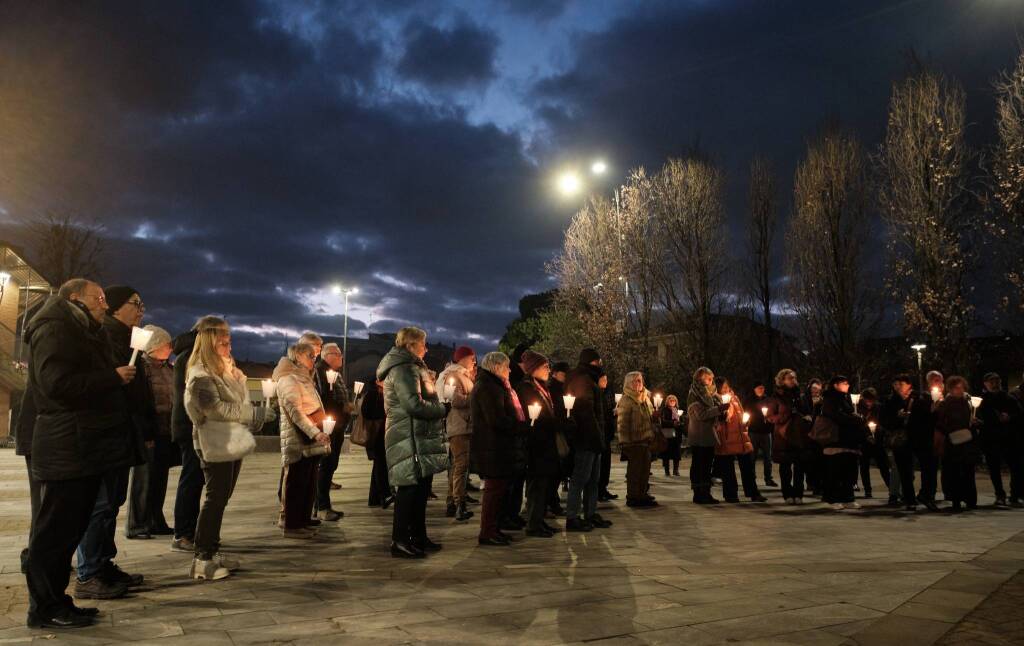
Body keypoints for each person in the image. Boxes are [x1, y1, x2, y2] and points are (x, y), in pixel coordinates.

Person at [22, 279, 138, 628]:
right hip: (65, 444)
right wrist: (111, 378)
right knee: (54, 532)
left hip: (82, 445)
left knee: (69, 529)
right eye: (99, 299)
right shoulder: (55, 329)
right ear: (75, 298)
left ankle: (57, 601)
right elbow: (55, 384)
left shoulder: (81, 329)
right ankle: (43, 608)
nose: (105, 305)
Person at [75, 285, 150, 599]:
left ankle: (104, 564)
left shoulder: (124, 336)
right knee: (101, 504)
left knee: (112, 502)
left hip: (122, 430)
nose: (141, 309)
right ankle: (89, 573)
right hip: (107, 432)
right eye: (136, 303)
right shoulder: (106, 336)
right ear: (118, 307)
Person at [185, 320, 275, 579]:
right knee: (214, 499)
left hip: (232, 440)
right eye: (222, 341)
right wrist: (254, 412)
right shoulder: (201, 373)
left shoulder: (228, 370)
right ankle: (202, 559)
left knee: (221, 498)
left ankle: (212, 551)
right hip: (214, 441)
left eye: (229, 340)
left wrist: (253, 417)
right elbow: (214, 409)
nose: (228, 345)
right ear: (208, 342)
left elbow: (237, 404)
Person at [376, 327, 448, 558]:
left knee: (420, 490)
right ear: (410, 346)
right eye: (422, 344)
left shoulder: (412, 368)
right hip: (408, 437)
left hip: (416, 436)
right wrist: (441, 408)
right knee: (408, 490)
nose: (426, 349)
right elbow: (413, 405)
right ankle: (399, 541)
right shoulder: (404, 369)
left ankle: (418, 536)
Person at [170, 316, 225, 552]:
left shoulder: (201, 356)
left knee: (199, 480)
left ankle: (195, 531)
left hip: (204, 425)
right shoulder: (189, 358)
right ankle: (183, 533)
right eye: (221, 334)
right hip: (191, 425)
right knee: (192, 479)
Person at [276, 343, 332, 538]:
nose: (314, 358)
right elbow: (295, 412)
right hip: (299, 439)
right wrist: (314, 432)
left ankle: (303, 519)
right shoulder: (288, 379)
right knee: (296, 482)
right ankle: (292, 525)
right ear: (298, 356)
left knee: (308, 482)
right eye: (310, 355)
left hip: (311, 437)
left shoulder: (304, 378)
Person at [126, 325, 177, 539]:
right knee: (143, 479)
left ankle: (156, 520)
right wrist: (145, 431)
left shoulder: (168, 368)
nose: (170, 348)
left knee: (159, 478)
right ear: (154, 346)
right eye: (166, 344)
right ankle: (137, 524)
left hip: (166, 429)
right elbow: (139, 403)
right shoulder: (141, 368)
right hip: (148, 428)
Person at [471, 351, 526, 545]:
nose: (510, 370)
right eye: (506, 366)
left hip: (498, 447)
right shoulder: (488, 387)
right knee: (493, 492)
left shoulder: (494, 385)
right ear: (496, 367)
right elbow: (496, 420)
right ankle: (487, 532)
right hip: (492, 447)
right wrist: (521, 426)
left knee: (499, 491)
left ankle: (494, 529)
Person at [515, 351, 566, 536]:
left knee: (544, 485)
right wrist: (557, 423)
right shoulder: (527, 388)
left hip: (545, 442)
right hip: (536, 444)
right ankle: (533, 524)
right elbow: (535, 418)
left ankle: (539, 520)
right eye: (545, 366)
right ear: (534, 368)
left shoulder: (540, 386)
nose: (548, 369)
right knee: (537, 485)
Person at [880, 374, 938, 512]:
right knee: (905, 471)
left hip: (920, 438)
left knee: (928, 467)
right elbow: (885, 421)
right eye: (895, 384)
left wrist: (934, 409)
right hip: (901, 439)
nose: (897, 387)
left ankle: (926, 495)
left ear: (909, 385)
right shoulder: (890, 401)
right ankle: (910, 500)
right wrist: (897, 417)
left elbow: (929, 417)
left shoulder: (920, 397)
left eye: (900, 384)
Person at [564, 349, 607, 530]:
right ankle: (572, 517)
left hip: (594, 437)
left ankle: (590, 513)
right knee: (581, 478)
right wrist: (596, 437)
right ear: (592, 362)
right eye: (598, 361)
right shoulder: (582, 379)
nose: (600, 365)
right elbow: (586, 412)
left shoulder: (589, 378)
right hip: (587, 438)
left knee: (593, 479)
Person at [312, 342, 354, 522]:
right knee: (326, 466)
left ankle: (319, 506)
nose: (341, 357)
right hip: (329, 425)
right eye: (338, 354)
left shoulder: (331, 372)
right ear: (327, 355)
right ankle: (321, 506)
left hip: (335, 424)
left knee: (329, 466)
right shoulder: (321, 372)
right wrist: (343, 407)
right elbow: (325, 400)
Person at [437, 346, 476, 522]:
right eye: (471, 358)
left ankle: (452, 502)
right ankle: (459, 503)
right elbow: (453, 400)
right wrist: (474, 398)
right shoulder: (453, 375)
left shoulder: (463, 375)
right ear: (462, 358)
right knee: (460, 466)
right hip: (460, 426)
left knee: (456, 466)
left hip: (463, 425)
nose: (474, 361)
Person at [818, 376, 865, 511]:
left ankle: (848, 498)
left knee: (849, 470)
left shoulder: (846, 398)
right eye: (844, 383)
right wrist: (853, 419)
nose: (847, 385)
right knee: (835, 470)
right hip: (835, 439)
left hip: (848, 439)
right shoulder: (830, 399)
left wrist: (855, 417)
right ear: (835, 385)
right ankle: (833, 498)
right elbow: (835, 415)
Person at [714, 377, 764, 503]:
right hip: (726, 437)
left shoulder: (735, 398)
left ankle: (753, 492)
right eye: (723, 387)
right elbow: (717, 419)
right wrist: (723, 414)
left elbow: (741, 413)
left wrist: (745, 421)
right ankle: (731, 494)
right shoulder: (715, 399)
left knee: (747, 466)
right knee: (728, 468)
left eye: (727, 386)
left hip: (741, 437)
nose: (726, 389)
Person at [934, 376, 980, 512]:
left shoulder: (969, 401)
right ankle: (956, 501)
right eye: (956, 388)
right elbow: (939, 422)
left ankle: (971, 500)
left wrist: (976, 422)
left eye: (961, 387)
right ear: (951, 389)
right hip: (953, 442)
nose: (959, 390)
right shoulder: (945, 403)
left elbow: (977, 418)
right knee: (954, 473)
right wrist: (950, 430)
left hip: (968, 441)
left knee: (968, 472)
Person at [977, 373, 1023, 507]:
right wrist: (978, 422)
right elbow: (979, 418)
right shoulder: (982, 401)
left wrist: (1010, 417)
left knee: (1016, 467)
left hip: (1009, 439)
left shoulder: (1009, 398)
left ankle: (1015, 495)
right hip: (991, 439)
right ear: (985, 384)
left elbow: (1020, 415)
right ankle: (1000, 495)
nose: (995, 384)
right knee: (994, 469)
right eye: (991, 381)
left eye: (997, 381)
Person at [767, 369, 810, 504]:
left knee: (799, 467)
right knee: (785, 467)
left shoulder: (799, 395)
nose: (793, 380)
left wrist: (806, 417)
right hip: (783, 436)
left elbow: (805, 410)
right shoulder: (776, 397)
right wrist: (786, 415)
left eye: (794, 377)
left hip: (799, 435)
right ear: (782, 380)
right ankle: (787, 494)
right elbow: (770, 417)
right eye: (789, 378)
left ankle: (799, 494)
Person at [688, 367, 727, 505]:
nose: (709, 381)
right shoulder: (694, 394)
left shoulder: (713, 395)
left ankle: (706, 492)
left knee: (707, 465)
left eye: (711, 378)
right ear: (699, 378)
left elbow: (715, 413)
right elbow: (700, 415)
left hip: (709, 435)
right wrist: (718, 410)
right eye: (706, 377)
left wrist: (723, 413)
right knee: (700, 465)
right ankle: (699, 493)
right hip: (699, 435)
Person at [618, 371, 657, 508]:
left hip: (645, 440)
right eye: (634, 381)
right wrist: (624, 442)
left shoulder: (645, 398)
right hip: (633, 441)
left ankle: (642, 494)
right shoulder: (627, 400)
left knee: (645, 470)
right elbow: (622, 423)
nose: (637, 383)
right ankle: (633, 496)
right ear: (628, 383)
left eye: (639, 380)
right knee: (634, 471)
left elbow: (650, 416)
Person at [855, 388, 891, 501]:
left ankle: (892, 489)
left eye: (871, 401)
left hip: (878, 442)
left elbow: (884, 423)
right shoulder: (858, 409)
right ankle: (868, 490)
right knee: (864, 466)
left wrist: (878, 430)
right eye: (866, 400)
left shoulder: (879, 408)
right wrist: (867, 435)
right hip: (864, 442)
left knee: (884, 466)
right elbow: (858, 425)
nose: (868, 403)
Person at [546, 361, 571, 516]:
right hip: (556, 432)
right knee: (555, 471)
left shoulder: (562, 388)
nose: (566, 376)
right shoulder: (552, 389)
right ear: (555, 373)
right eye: (564, 373)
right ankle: (552, 501)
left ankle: (552, 501)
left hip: (562, 429)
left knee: (559, 470)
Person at [362, 379, 391, 508]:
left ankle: (374, 498)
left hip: (383, 433)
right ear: (378, 381)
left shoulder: (384, 393)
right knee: (381, 464)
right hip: (376, 434)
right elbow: (366, 412)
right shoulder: (372, 394)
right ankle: (384, 495)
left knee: (379, 465)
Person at [748, 382, 776, 487]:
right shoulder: (749, 400)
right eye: (759, 388)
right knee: (752, 456)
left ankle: (768, 478)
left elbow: (773, 412)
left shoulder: (768, 400)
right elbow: (746, 412)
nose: (761, 390)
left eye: (762, 388)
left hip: (766, 432)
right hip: (753, 432)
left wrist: (768, 419)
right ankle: (752, 478)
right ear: (754, 389)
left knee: (768, 457)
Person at [598, 374, 619, 502]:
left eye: (606, 379)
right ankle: (599, 490)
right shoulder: (596, 394)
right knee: (601, 464)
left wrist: (614, 412)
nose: (605, 381)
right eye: (603, 379)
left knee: (606, 464)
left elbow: (609, 411)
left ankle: (603, 488)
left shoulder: (608, 393)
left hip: (607, 433)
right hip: (600, 434)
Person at [658, 395, 684, 476]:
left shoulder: (677, 411)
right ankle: (667, 470)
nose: (672, 401)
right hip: (668, 435)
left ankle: (676, 470)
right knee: (666, 454)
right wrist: (672, 423)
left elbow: (681, 421)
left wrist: (680, 423)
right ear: (667, 401)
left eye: (674, 400)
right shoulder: (664, 410)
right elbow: (662, 422)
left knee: (676, 453)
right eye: (670, 400)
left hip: (676, 436)